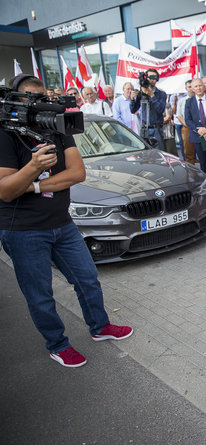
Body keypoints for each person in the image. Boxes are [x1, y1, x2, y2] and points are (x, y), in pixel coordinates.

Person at [0, 75, 133, 368]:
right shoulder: (6, 135)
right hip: (23, 230)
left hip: (62, 223)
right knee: (40, 294)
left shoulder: (57, 126)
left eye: (42, 96)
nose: (38, 103)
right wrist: (33, 167)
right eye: (30, 97)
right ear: (16, 99)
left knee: (87, 278)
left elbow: (77, 173)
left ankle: (100, 327)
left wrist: (33, 185)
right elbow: (6, 190)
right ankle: (57, 344)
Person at [184, 78, 206, 174]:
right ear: (192, 89)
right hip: (197, 137)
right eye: (196, 86)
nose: (198, 88)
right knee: (203, 165)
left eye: (200, 85)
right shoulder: (189, 102)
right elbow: (188, 120)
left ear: (204, 86)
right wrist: (199, 130)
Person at [130, 68, 168, 150]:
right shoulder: (141, 93)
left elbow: (160, 110)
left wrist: (152, 95)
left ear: (157, 79)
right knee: (144, 155)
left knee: (158, 155)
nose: (151, 80)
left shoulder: (162, 94)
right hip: (144, 129)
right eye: (149, 77)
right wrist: (132, 99)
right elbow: (133, 110)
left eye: (154, 77)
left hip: (156, 129)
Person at [176, 80, 196, 164]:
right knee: (188, 152)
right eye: (189, 87)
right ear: (186, 88)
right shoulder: (182, 101)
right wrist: (187, 125)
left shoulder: (199, 99)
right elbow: (179, 115)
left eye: (192, 86)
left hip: (199, 127)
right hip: (187, 128)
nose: (191, 89)